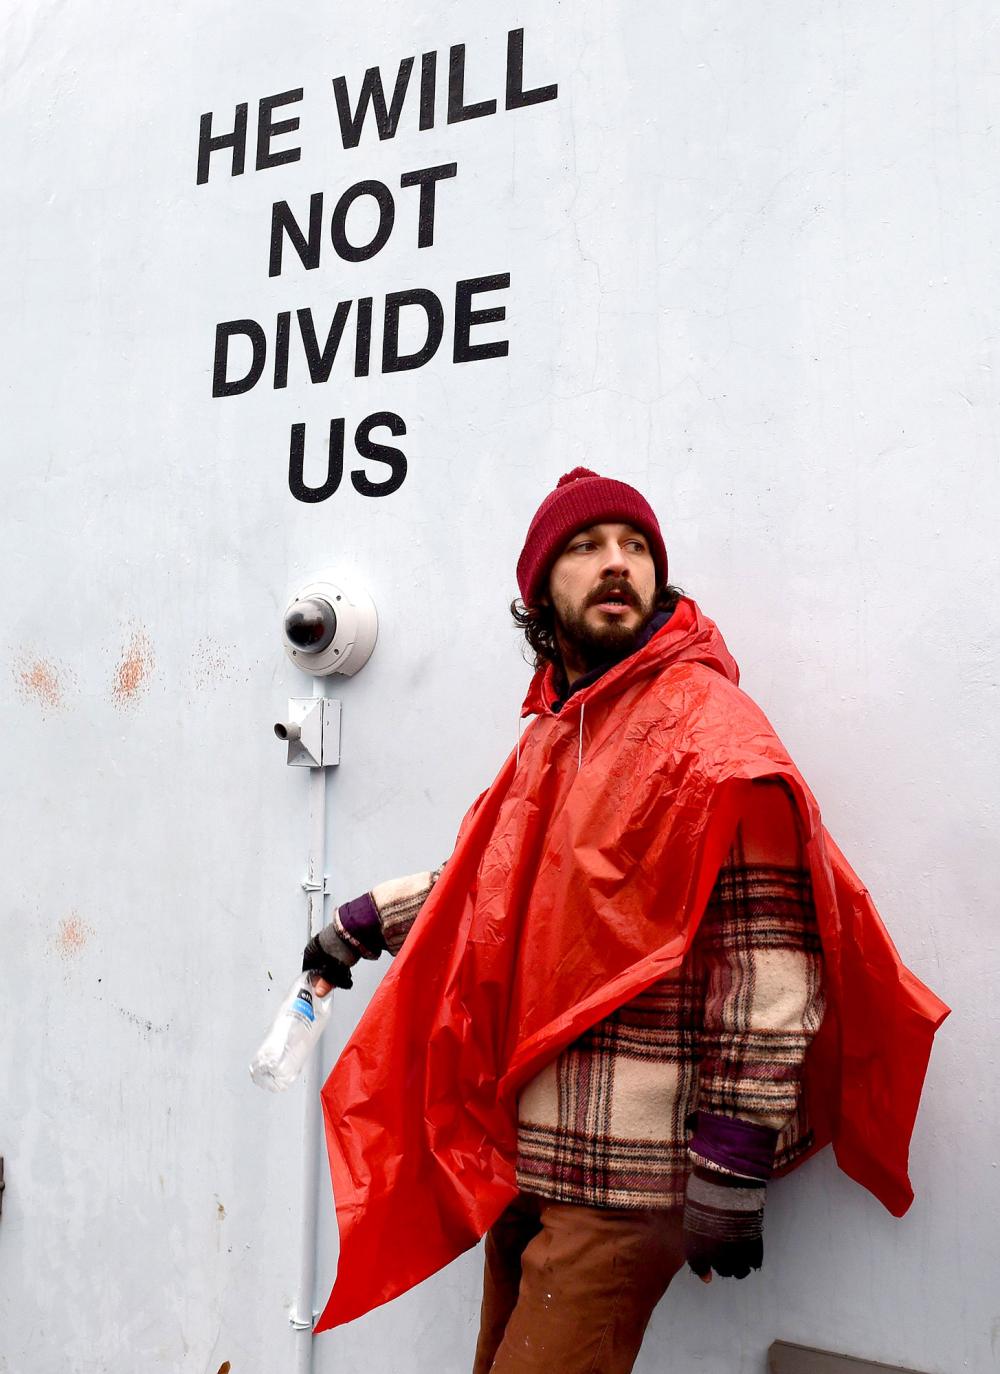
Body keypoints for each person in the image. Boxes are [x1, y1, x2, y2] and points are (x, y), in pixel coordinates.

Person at [301, 468, 948, 1366]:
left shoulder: (707, 732)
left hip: (624, 1183)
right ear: (539, 592)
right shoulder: (560, 732)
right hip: (530, 1160)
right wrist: (370, 920)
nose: (618, 564)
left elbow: (769, 967)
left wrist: (731, 1161)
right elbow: (505, 886)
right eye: (587, 547)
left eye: (636, 547)